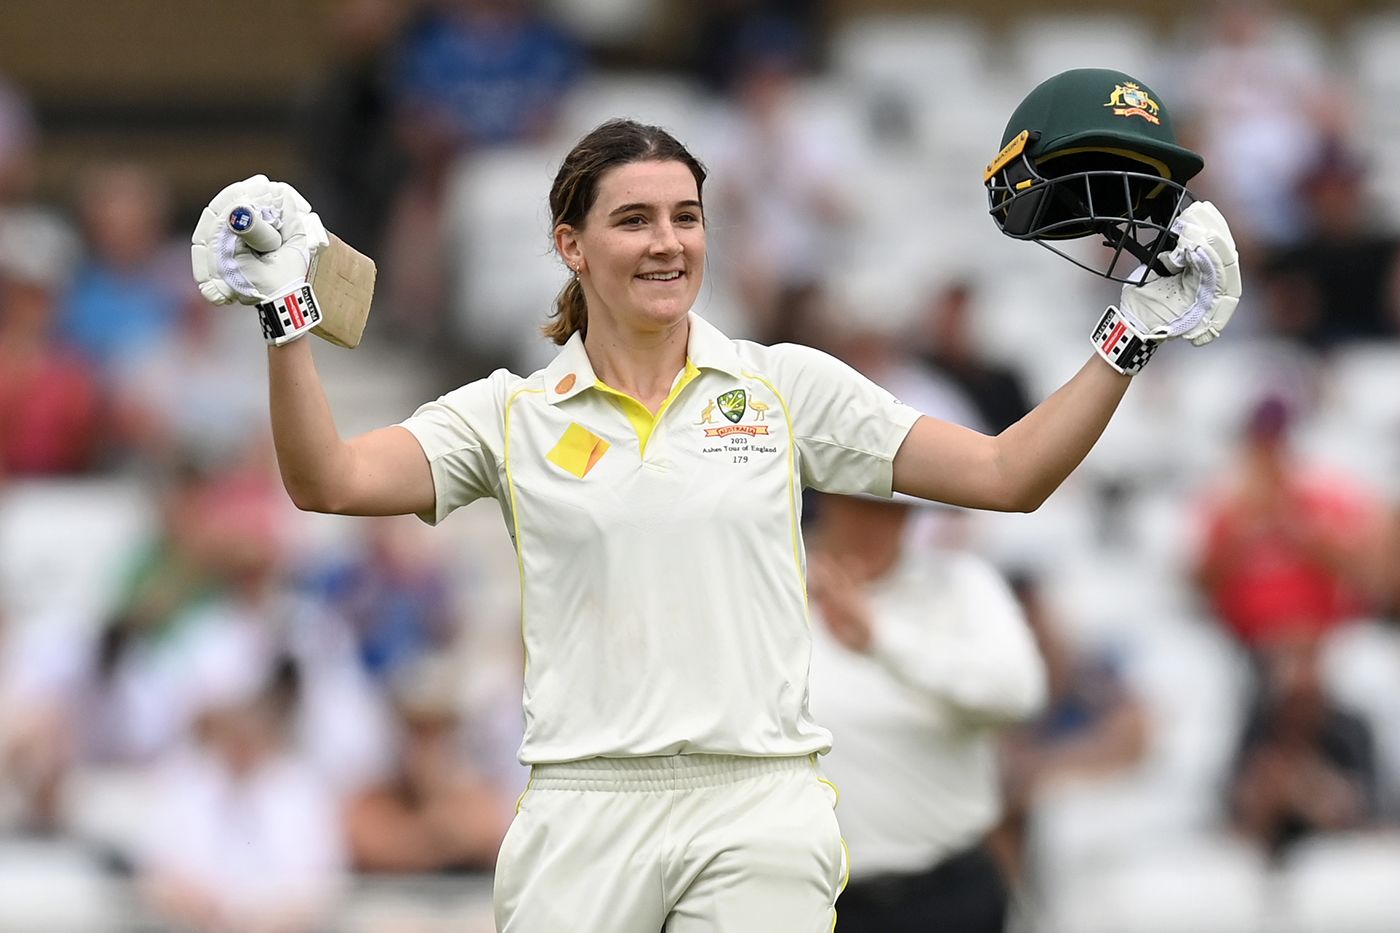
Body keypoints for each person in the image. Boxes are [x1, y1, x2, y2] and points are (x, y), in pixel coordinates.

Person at [189, 105, 1238, 930]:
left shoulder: (784, 388)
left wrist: (1129, 335)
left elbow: (1008, 474)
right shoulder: (507, 413)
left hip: (757, 803)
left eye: (685, 217)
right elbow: (326, 481)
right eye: (633, 220)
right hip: (580, 805)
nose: (666, 243)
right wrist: (287, 318)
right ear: (571, 244)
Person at [805, 489, 1046, 933]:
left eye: (895, 508)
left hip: (947, 892)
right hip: (813, 901)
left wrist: (880, 639)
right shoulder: (770, 585)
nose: (881, 523)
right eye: (862, 504)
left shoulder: (962, 582)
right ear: (825, 502)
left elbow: (1018, 693)